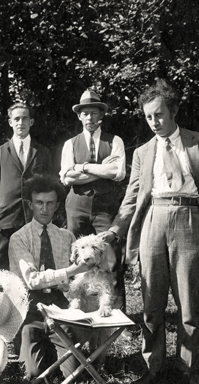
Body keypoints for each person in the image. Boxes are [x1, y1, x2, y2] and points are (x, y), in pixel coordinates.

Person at [99, 79, 199, 384]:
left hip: (189, 221)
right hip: (153, 222)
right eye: (148, 117)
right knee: (151, 304)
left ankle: (186, 370)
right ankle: (151, 369)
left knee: (187, 305)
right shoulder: (143, 152)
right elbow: (132, 198)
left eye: (159, 115)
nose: (154, 122)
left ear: (174, 111)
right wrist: (116, 228)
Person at [9, 175, 89, 379]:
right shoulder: (19, 238)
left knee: (73, 374)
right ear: (30, 205)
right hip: (30, 308)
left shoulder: (67, 237)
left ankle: (56, 348)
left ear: (57, 206)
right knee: (34, 374)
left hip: (59, 307)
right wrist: (72, 271)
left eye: (49, 203)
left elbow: (74, 282)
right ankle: (32, 346)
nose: (44, 209)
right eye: (39, 203)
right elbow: (32, 280)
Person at [59, 89, 127, 311]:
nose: (89, 118)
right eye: (85, 113)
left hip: (105, 207)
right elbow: (66, 176)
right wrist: (102, 169)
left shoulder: (115, 141)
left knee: (112, 259)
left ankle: (115, 314)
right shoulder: (70, 144)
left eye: (94, 113)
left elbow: (118, 172)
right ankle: (77, 309)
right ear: (79, 116)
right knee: (76, 257)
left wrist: (84, 167)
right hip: (76, 205)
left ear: (101, 115)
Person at [0, 103, 53, 270]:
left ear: (31, 122)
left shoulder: (43, 152)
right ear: (10, 122)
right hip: (5, 219)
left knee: (35, 269)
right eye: (16, 119)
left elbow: (51, 187)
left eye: (25, 118)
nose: (20, 122)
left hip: (35, 219)